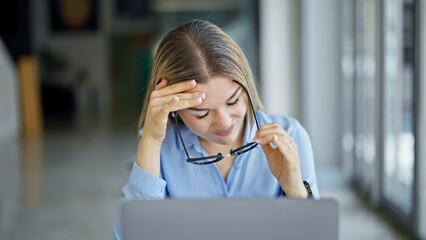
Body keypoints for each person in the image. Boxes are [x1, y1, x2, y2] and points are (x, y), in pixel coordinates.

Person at [113, 19, 319, 240]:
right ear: (173, 108)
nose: (224, 123)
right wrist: (151, 141)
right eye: (202, 113)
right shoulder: (159, 148)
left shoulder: (291, 135)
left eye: (233, 102)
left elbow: (315, 235)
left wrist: (295, 190)